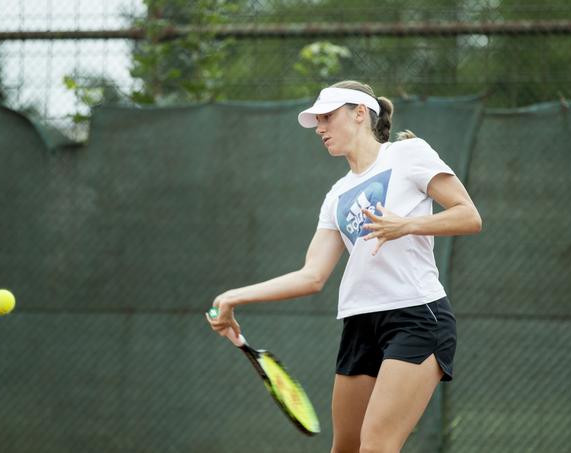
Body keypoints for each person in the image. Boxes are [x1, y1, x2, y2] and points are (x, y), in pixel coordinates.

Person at [206, 80, 482, 453]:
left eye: (327, 117)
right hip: (360, 322)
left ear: (359, 113)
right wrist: (233, 297)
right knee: (346, 448)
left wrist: (408, 224)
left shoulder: (408, 154)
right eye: (316, 120)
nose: (319, 127)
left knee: (376, 447)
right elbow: (312, 275)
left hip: (416, 316)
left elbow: (469, 216)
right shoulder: (336, 195)